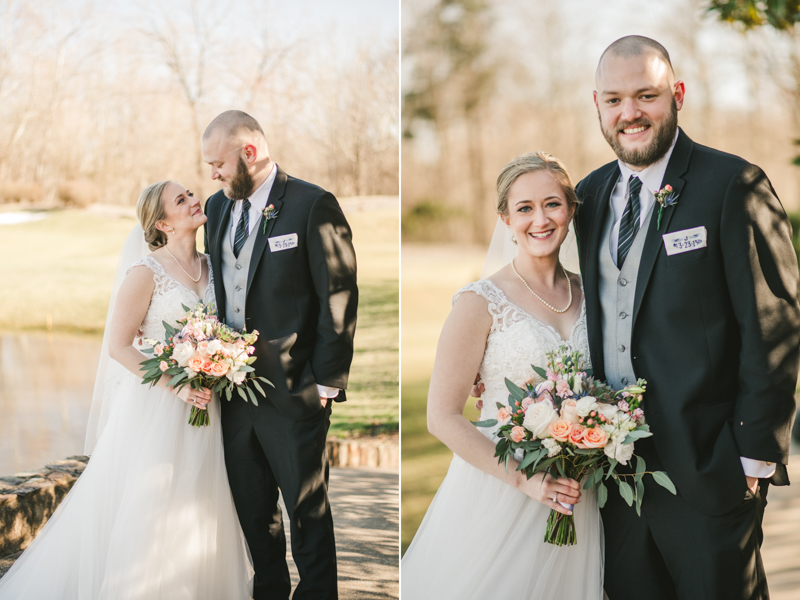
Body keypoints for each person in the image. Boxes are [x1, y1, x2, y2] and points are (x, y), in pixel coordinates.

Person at [574, 35, 800, 600]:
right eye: (615, 99)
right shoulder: (588, 196)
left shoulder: (733, 184)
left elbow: (774, 321)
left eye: (646, 96)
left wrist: (756, 454)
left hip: (712, 469)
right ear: (597, 104)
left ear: (676, 94)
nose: (630, 113)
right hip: (614, 474)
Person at [0, 181, 253, 599]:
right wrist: (178, 386)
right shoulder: (145, 272)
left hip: (209, 408)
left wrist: (221, 361)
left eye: (191, 193)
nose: (194, 200)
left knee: (202, 507)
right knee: (154, 511)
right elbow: (119, 347)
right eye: (181, 200)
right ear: (162, 223)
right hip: (158, 408)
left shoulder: (215, 267)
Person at [401, 151, 604, 599]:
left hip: (580, 494)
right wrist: (523, 478)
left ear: (570, 209)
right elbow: (442, 416)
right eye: (524, 208)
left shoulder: (596, 295)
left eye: (552, 204)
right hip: (501, 492)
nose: (540, 219)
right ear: (505, 219)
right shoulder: (478, 302)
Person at [201, 110, 358, 600]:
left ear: (249, 153)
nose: (213, 175)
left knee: (306, 515)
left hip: (295, 392)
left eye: (218, 163)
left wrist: (325, 386)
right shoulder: (216, 207)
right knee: (254, 514)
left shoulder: (312, 204)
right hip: (233, 396)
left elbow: (339, 295)